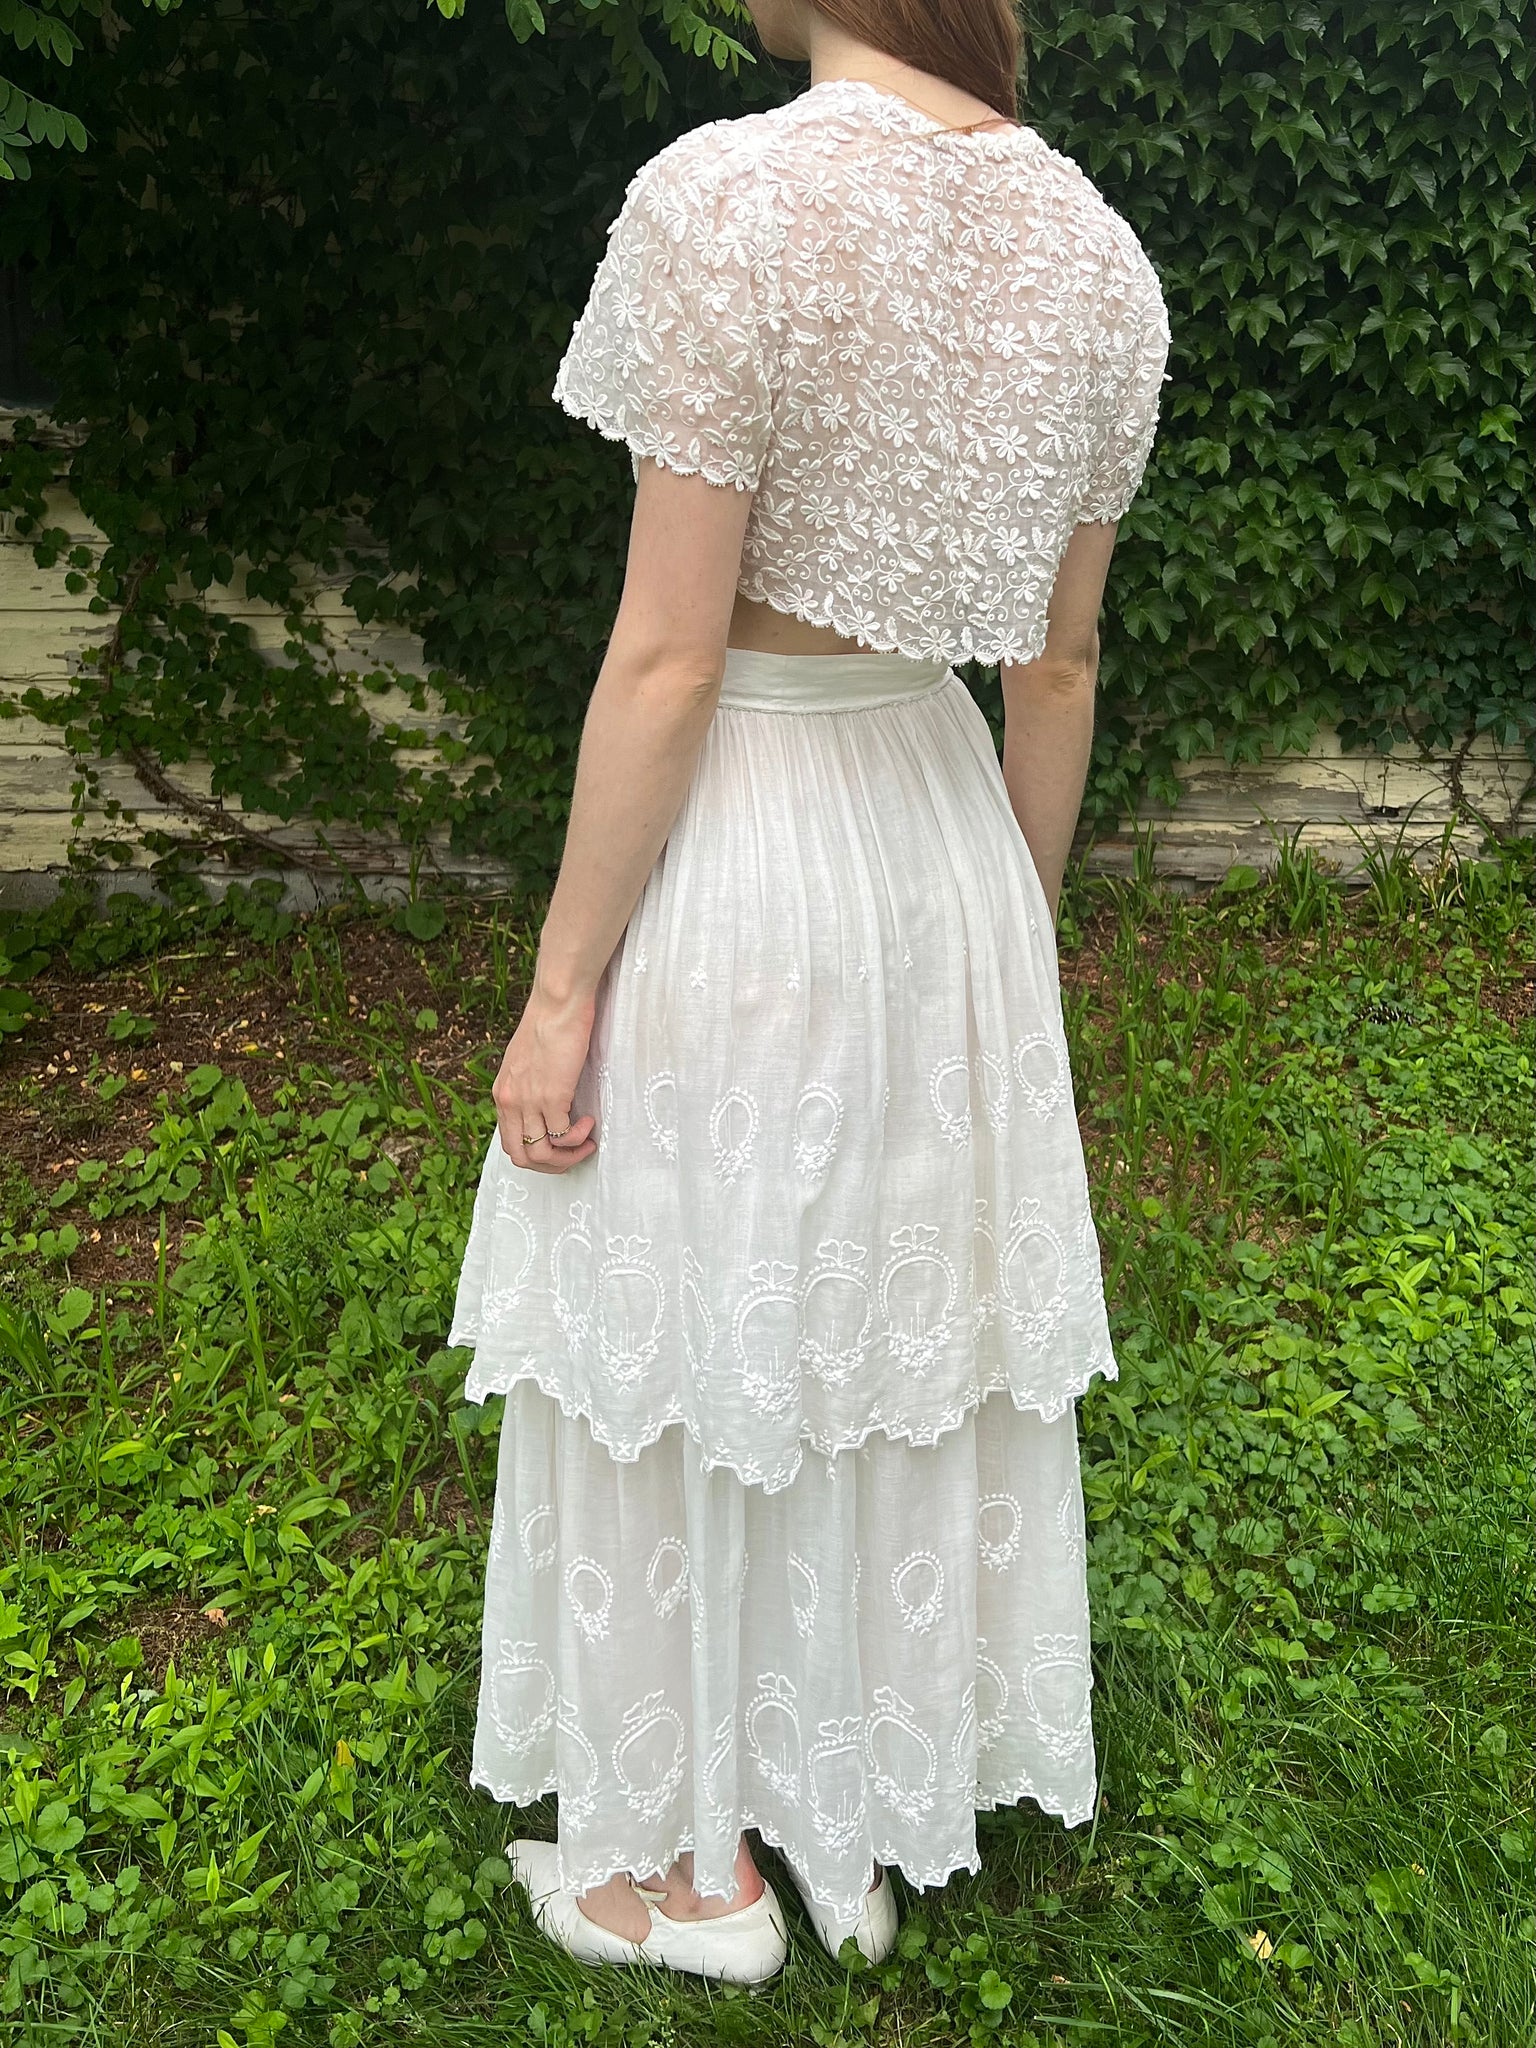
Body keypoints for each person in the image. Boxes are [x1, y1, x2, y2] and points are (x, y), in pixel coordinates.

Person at [447, 0, 1170, 1985]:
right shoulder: (1100, 253)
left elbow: (672, 659)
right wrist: (999, 951)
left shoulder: (724, 200)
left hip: (751, 828)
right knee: (880, 1319)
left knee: (687, 1316)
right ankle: (852, 1808)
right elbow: (1060, 668)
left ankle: (695, 1876)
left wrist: (557, 987)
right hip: (940, 827)